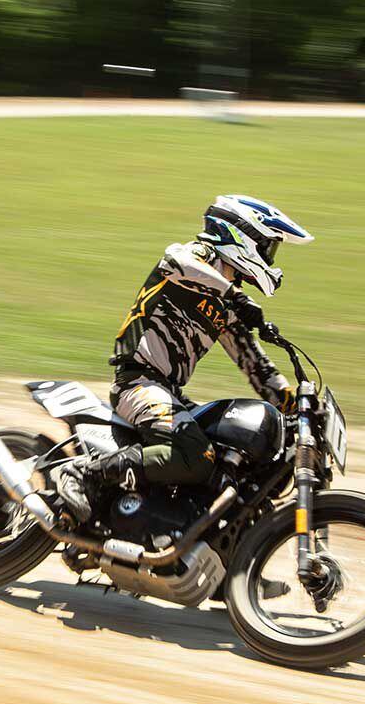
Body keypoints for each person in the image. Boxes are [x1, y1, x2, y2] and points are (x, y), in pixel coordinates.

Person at [54, 194, 312, 518]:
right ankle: (82, 473)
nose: (270, 259)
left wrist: (298, 406)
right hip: (138, 381)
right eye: (267, 248)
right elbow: (175, 261)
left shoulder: (227, 307)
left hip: (168, 392)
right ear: (243, 236)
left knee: (227, 455)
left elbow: (255, 366)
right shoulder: (198, 257)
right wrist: (233, 294)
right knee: (193, 455)